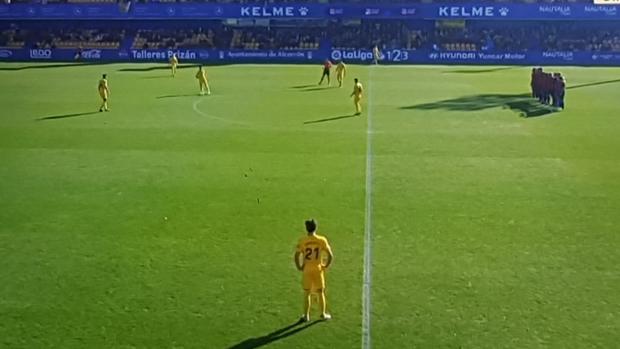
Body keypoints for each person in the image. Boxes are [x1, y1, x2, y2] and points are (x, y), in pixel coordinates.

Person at [294, 219, 333, 322]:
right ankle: (323, 314)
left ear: (306, 228)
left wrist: (299, 266)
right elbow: (330, 255)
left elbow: (297, 255)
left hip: (307, 269)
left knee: (307, 293)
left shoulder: (302, 240)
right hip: (318, 269)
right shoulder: (322, 240)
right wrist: (326, 265)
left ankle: (306, 316)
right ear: (316, 227)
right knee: (320, 292)